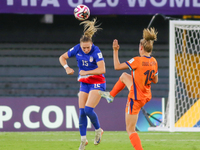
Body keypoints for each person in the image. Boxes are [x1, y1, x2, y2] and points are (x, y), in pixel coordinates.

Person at [99, 28, 158, 150]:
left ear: (141, 47)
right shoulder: (154, 61)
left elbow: (117, 66)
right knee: (125, 76)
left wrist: (115, 50)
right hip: (146, 94)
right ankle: (110, 96)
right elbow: (155, 80)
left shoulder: (137, 60)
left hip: (136, 98)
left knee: (130, 129)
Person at [59, 18, 105, 150]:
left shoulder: (96, 51)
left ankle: (98, 130)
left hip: (98, 83)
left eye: (88, 47)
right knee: (82, 113)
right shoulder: (77, 49)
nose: (85, 50)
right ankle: (83, 141)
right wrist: (67, 67)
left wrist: (86, 72)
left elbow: (102, 69)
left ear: (92, 45)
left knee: (88, 109)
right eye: (83, 47)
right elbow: (62, 57)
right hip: (85, 83)